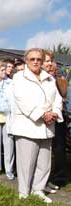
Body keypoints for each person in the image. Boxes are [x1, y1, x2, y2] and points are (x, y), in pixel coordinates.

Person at [12, 48, 63, 203]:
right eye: (32, 59)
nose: (36, 62)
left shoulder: (49, 78)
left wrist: (54, 113)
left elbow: (57, 99)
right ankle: (24, 192)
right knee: (26, 163)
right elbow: (22, 100)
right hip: (28, 126)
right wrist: (42, 114)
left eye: (39, 59)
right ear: (26, 60)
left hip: (47, 126)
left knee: (44, 162)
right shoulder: (19, 77)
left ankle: (38, 189)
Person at [42, 50, 68, 189]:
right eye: (47, 61)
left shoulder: (60, 80)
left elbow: (63, 97)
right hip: (42, 118)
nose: (50, 64)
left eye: (52, 61)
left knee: (59, 149)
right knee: (45, 150)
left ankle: (59, 177)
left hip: (58, 118)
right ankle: (42, 180)